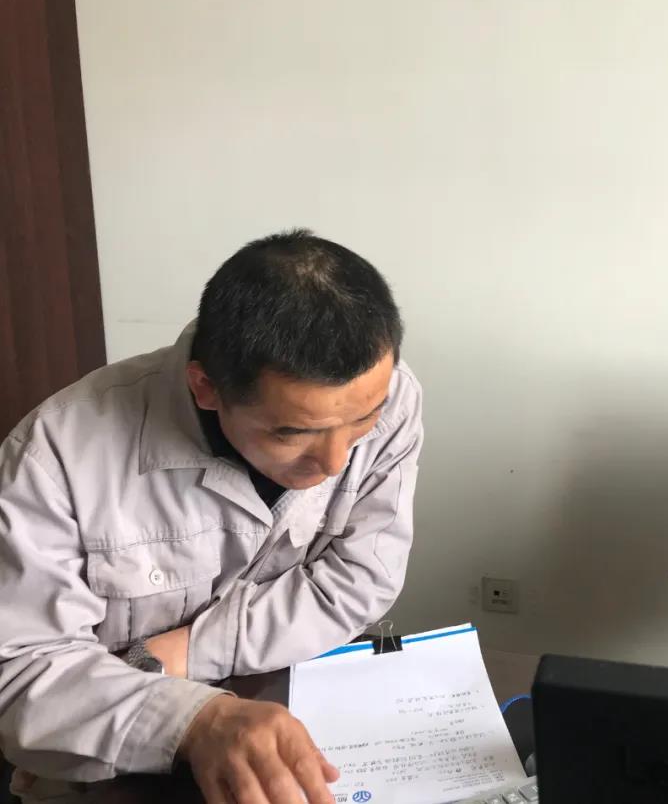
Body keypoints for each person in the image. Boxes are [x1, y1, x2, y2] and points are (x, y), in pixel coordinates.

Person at [0, 230, 423, 804]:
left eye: (362, 423)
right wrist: (195, 719)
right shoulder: (56, 455)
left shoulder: (389, 396)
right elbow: (22, 674)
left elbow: (361, 577)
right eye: (293, 433)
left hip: (300, 723)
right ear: (205, 388)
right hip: (105, 767)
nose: (335, 463)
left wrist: (182, 652)